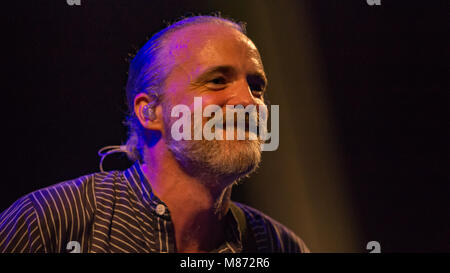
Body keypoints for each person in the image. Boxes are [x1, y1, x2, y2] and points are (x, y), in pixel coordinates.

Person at [0, 15, 309, 253]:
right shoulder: (51, 222)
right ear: (150, 112)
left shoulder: (278, 245)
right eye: (217, 81)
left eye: (256, 87)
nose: (248, 101)